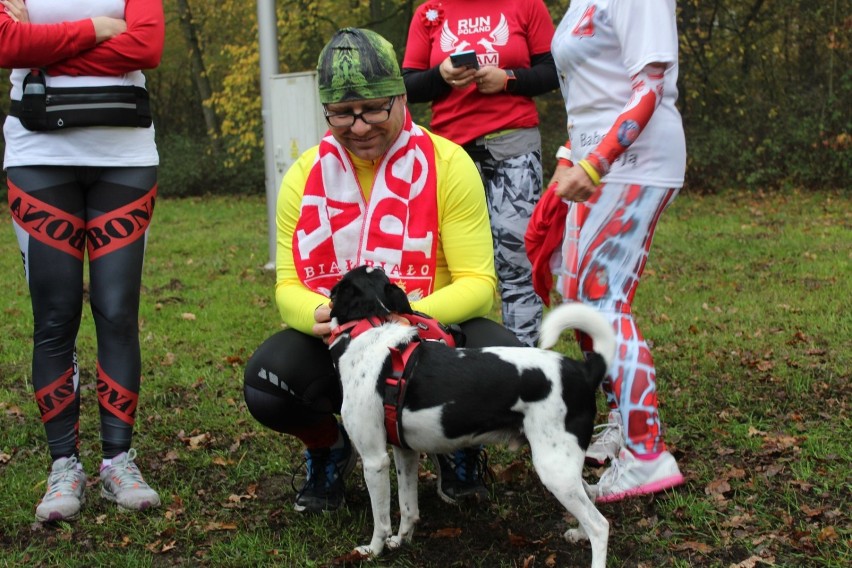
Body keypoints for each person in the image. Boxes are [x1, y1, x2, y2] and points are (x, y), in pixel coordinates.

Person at [243, 27, 523, 513]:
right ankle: (329, 446)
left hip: (435, 335)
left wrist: (399, 319)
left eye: (374, 108)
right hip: (344, 342)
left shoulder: (448, 163)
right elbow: (288, 285)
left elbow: (478, 287)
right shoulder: (303, 175)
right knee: (267, 384)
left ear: (400, 97)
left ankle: (456, 446)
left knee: (507, 358)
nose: (358, 125)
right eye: (342, 114)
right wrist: (327, 315)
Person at [2, 0, 165, 522]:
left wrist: (44, 50)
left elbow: (146, 47)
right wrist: (97, 29)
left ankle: (118, 461)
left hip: (126, 156)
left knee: (117, 313)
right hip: (37, 154)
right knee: (55, 316)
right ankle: (63, 466)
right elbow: (8, 45)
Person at [541, 0, 687, 502]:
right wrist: (568, 156)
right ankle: (624, 422)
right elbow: (590, 93)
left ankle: (647, 455)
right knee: (576, 296)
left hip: (635, 160)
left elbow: (648, 88)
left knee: (603, 302)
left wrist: (598, 161)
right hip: (593, 158)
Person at [402, 0, 559, 347]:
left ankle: (525, 363)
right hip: (451, 154)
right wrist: (441, 76)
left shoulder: (527, 5)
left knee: (517, 261)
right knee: (452, 269)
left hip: (514, 146)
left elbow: (554, 70)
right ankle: (452, 361)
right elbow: (406, 85)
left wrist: (509, 79)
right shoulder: (430, 12)